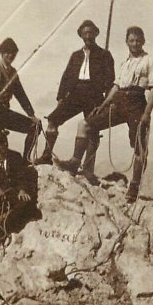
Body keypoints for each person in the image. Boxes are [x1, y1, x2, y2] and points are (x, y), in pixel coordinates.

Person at [55, 26, 153, 203]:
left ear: (143, 41)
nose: (134, 44)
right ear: (127, 42)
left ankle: (134, 186)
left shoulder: (151, 60)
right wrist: (103, 105)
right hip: (118, 102)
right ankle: (74, 162)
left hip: (137, 103)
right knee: (85, 124)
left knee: (140, 147)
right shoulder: (124, 63)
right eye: (131, 40)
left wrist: (147, 114)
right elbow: (116, 86)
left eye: (138, 40)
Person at [34, 20, 115, 186]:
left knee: (92, 130)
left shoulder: (105, 55)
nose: (88, 36)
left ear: (96, 34)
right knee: (53, 119)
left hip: (94, 95)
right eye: (84, 33)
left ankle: (88, 168)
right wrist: (60, 97)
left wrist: (106, 99)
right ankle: (47, 155)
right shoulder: (75, 55)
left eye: (91, 33)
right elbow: (66, 77)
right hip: (76, 93)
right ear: (81, 35)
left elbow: (111, 79)